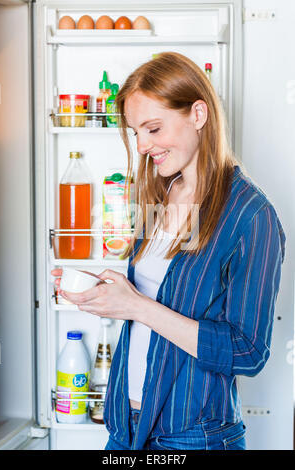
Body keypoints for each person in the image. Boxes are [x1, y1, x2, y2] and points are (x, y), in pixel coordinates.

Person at [52, 52, 286, 450]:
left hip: (193, 436)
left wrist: (137, 307)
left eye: (153, 129)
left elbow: (248, 351)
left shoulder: (251, 216)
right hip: (125, 429)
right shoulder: (161, 192)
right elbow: (162, 291)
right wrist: (108, 293)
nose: (142, 146)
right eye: (136, 133)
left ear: (198, 114)